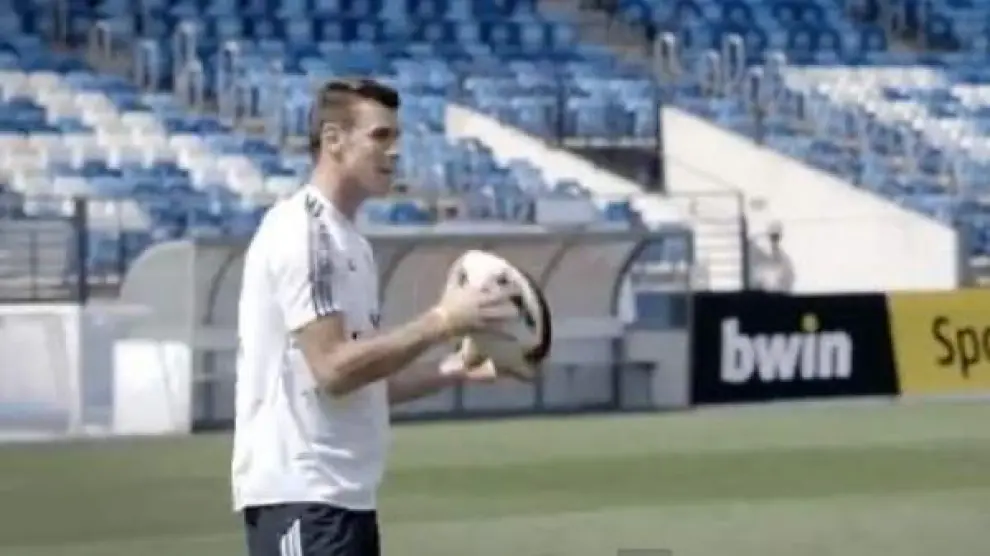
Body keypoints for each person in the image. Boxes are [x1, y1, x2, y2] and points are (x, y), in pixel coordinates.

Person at [231, 78, 519, 556]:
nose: (395, 151)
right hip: (301, 496)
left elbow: (366, 384)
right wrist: (443, 320)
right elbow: (333, 369)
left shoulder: (352, 245)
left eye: (396, 138)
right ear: (333, 140)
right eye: (380, 136)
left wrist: (455, 368)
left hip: (344, 502)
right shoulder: (304, 232)